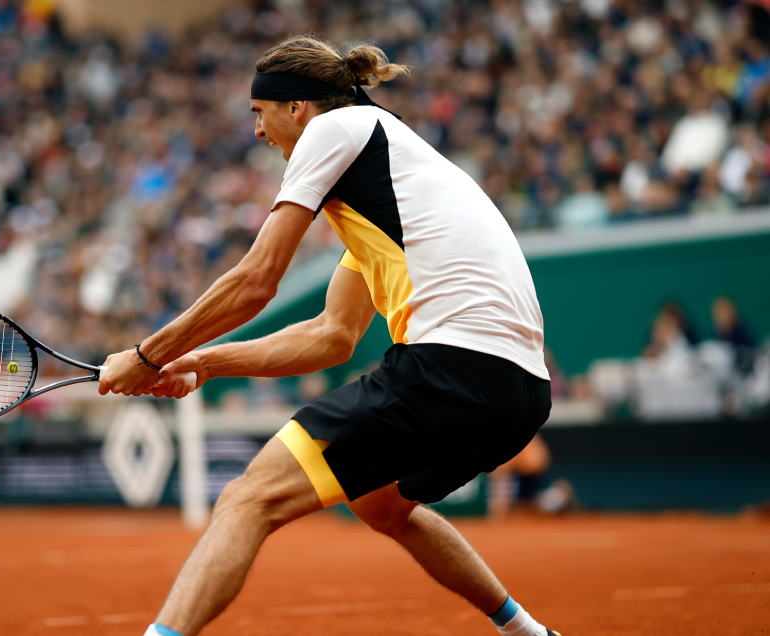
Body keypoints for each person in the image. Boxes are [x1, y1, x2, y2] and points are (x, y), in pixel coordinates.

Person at [99, 36, 558, 636]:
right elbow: (331, 336)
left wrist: (145, 355)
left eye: (260, 113)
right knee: (381, 504)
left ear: (298, 108)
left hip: (455, 364)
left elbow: (257, 281)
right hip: (520, 391)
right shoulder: (387, 189)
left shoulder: (334, 130)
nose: (258, 132)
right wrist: (201, 363)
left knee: (247, 498)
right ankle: (527, 632)